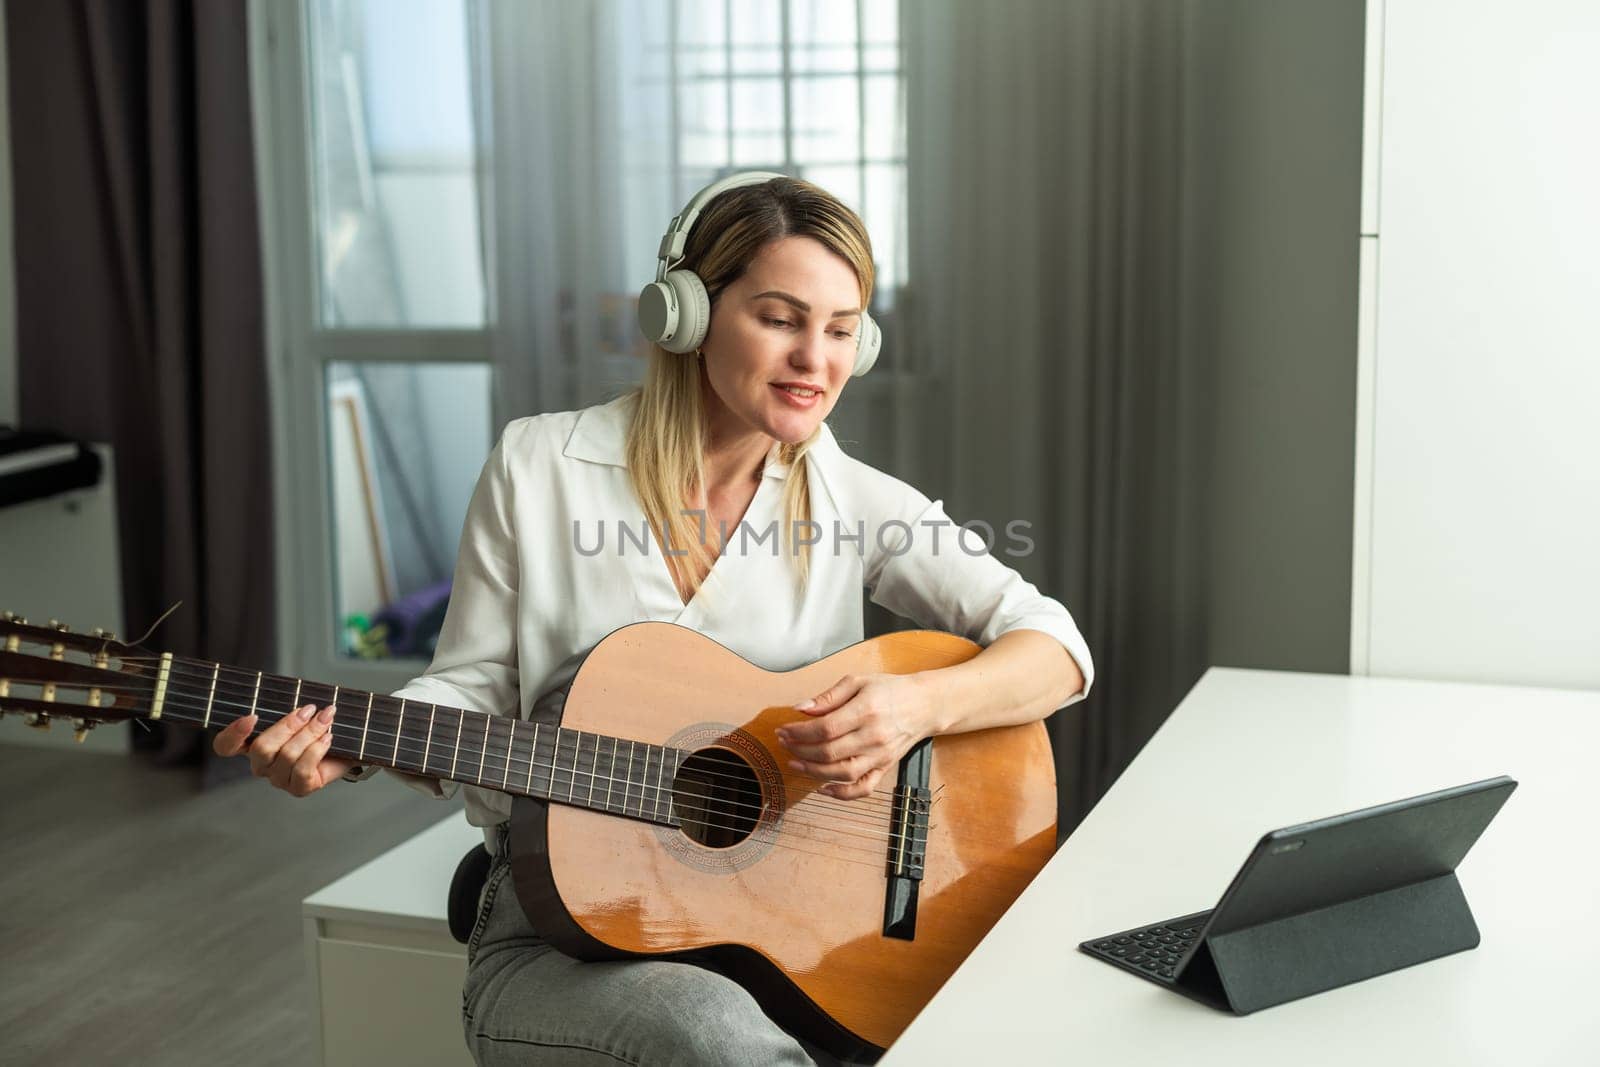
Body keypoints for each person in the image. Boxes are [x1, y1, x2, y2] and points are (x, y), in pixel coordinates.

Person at [213, 172, 1094, 1065]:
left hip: (799, 935)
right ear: (687, 313)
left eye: (839, 331)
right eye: (781, 318)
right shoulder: (539, 465)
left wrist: (913, 709)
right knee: (715, 1040)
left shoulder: (850, 497)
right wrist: (355, 740)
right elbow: (476, 682)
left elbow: (1054, 644)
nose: (815, 361)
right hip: (564, 935)